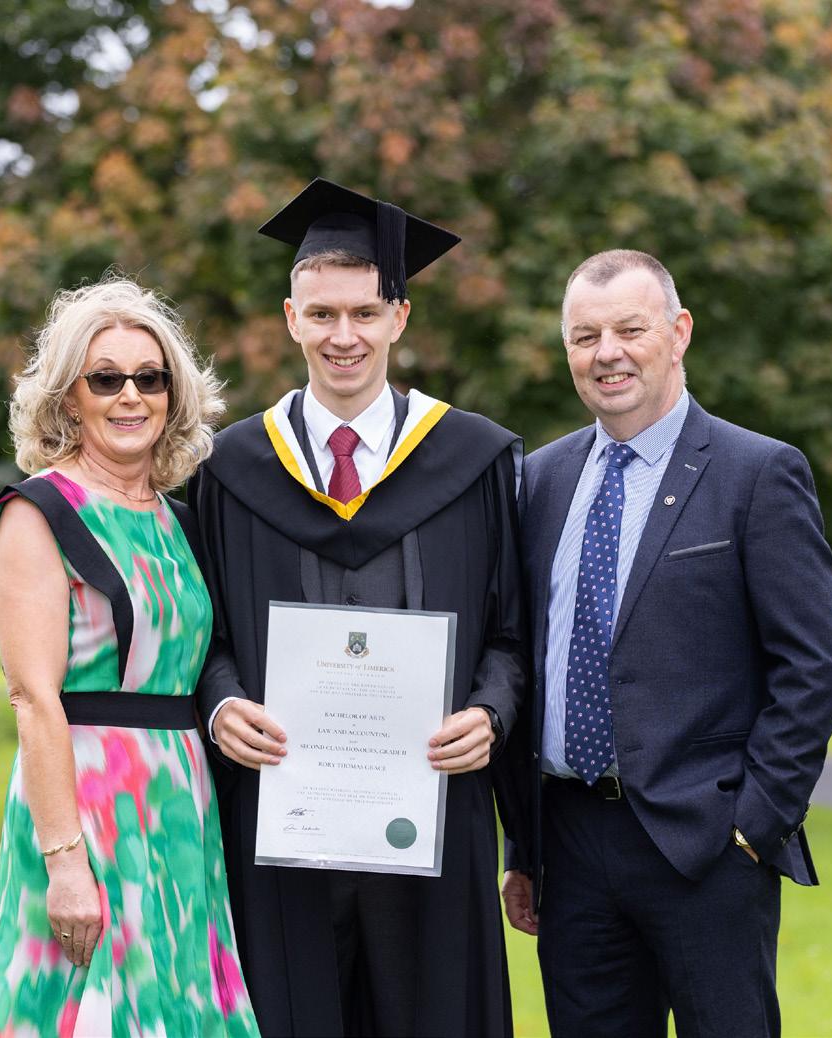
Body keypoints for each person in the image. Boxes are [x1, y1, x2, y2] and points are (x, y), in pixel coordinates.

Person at [189, 178, 527, 1037]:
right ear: (291, 318)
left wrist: (490, 712)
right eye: (323, 314)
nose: (345, 335)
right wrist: (221, 705)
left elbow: (512, 634)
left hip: (432, 815)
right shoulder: (229, 469)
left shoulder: (474, 460)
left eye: (366, 313)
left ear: (399, 318)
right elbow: (202, 632)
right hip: (281, 825)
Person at [501, 250, 832, 1037]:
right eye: (585, 336)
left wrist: (753, 825)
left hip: (707, 846)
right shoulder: (539, 480)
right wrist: (524, 845)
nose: (607, 353)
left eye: (630, 330)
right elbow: (529, 661)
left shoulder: (757, 473)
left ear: (679, 332)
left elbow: (815, 666)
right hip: (569, 848)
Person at [0, 278, 259, 1038]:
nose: (131, 395)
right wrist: (65, 861)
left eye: (150, 377)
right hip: (86, 807)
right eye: (105, 379)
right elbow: (32, 698)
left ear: (172, 394)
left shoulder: (181, 521)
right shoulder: (37, 513)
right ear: (70, 399)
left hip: (181, 809)